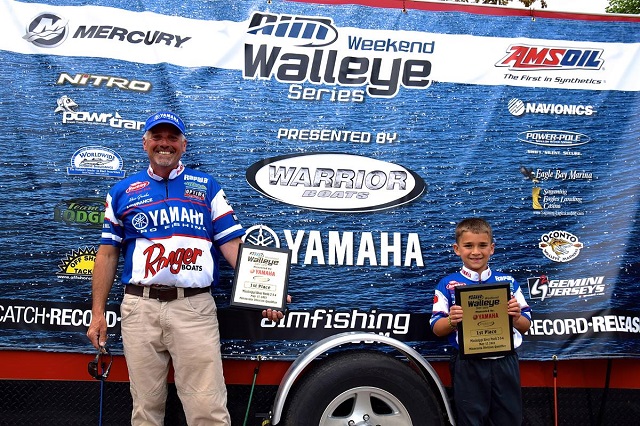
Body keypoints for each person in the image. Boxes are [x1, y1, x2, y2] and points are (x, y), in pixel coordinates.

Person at [87, 111, 286, 425]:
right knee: (145, 410)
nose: (164, 143)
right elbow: (107, 254)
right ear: (145, 143)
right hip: (140, 308)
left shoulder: (207, 187)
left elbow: (231, 244)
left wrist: (267, 292)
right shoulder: (122, 191)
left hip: (193, 307)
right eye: (157, 137)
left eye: (172, 137)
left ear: (183, 144)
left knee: (208, 409)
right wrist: (97, 313)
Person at [430, 218, 532, 426]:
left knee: (509, 419)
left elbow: (526, 325)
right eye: (468, 246)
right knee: (470, 420)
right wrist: (451, 320)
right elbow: (437, 328)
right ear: (457, 249)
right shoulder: (447, 285)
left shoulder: (509, 283)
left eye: (482, 245)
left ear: (491, 248)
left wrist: (515, 317)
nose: (476, 252)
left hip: (505, 361)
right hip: (468, 364)